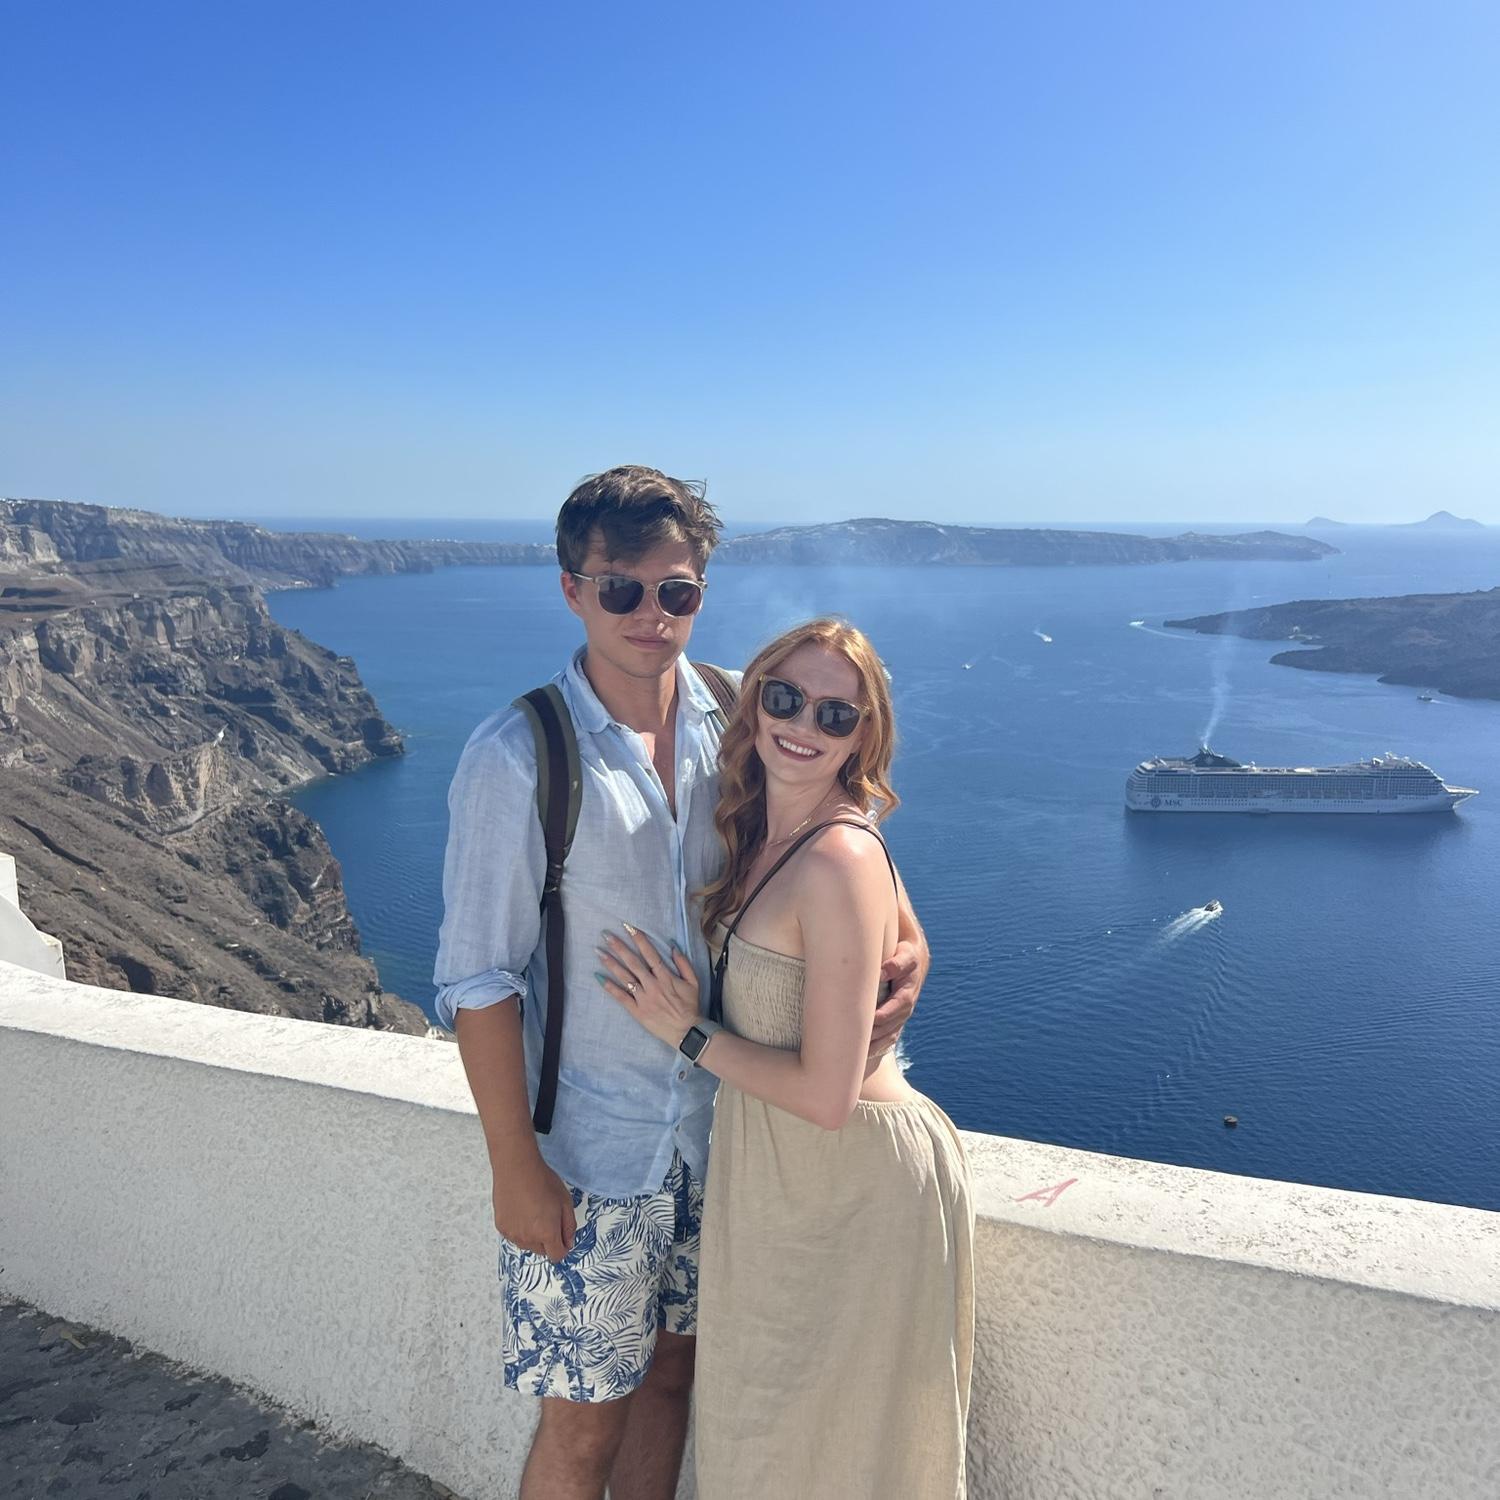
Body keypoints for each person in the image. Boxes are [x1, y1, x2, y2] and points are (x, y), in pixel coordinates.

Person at [433, 467, 931, 1500]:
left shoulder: (738, 714)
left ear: (701, 592)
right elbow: (479, 982)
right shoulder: (520, 756)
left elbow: (837, 821)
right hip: (590, 1159)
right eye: (620, 589)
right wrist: (514, 1168)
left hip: (721, 1145)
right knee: (580, 1429)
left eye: (676, 591)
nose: (650, 615)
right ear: (572, 590)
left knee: (672, 1382)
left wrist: (910, 935)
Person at [600, 617, 975, 1500]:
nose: (804, 724)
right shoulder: (765, 827)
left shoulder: (839, 853)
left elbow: (828, 1096)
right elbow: (895, 932)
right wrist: (916, 944)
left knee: (835, 1453)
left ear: (864, 737)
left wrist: (685, 1030)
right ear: (754, 702)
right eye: (785, 698)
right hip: (779, 1181)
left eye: (836, 715)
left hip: (853, 1181)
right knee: (768, 1438)